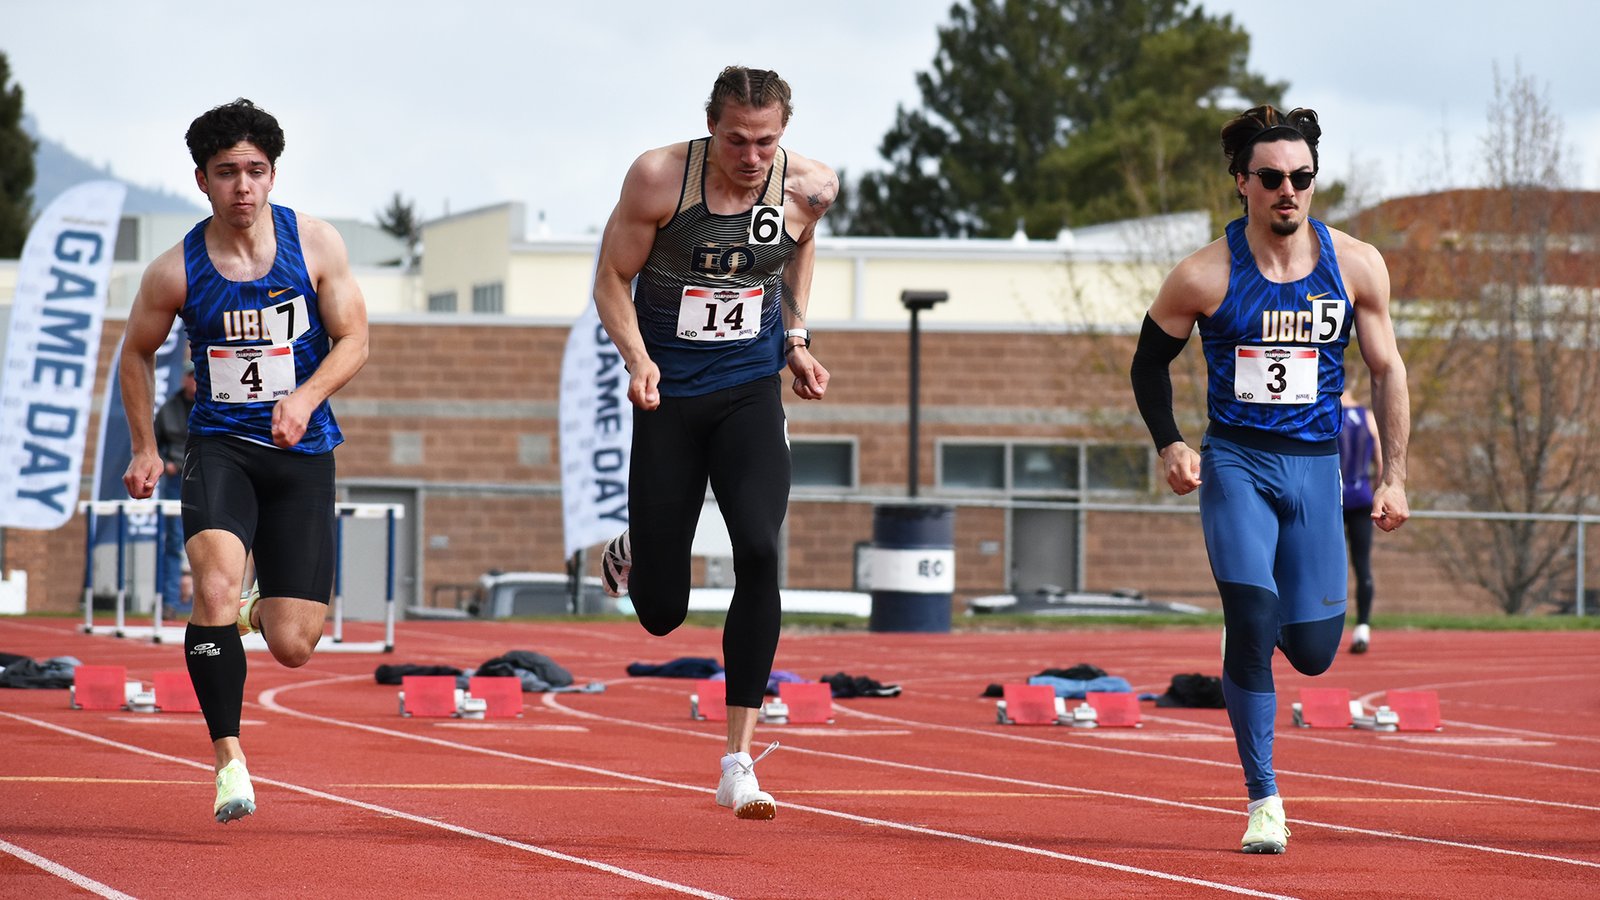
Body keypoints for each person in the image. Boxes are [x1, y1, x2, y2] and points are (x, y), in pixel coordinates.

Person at [1129, 105, 1410, 854]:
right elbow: (1148, 362)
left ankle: (1268, 630)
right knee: (1252, 622)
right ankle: (1264, 800)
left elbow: (1387, 370)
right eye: (1273, 178)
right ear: (1243, 183)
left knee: (1316, 651)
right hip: (1237, 465)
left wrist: (1395, 476)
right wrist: (1172, 444)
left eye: (1303, 178)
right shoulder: (1204, 274)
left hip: (1318, 469)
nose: (1289, 190)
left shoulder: (1355, 264)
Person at [591, 65, 836, 821]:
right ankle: (639, 548)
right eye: (737, 139)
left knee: (759, 548)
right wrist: (639, 361)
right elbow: (610, 279)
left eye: (766, 141)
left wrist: (794, 338)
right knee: (663, 612)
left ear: (783, 134)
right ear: (712, 128)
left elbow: (796, 253)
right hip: (668, 394)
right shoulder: (660, 178)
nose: (751, 156)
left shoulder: (812, 187)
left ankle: (738, 759)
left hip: (748, 391)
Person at [120, 98, 369, 824]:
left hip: (303, 451)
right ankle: (229, 758)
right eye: (227, 172)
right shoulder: (176, 270)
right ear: (201, 180)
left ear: (271, 174)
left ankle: (260, 610)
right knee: (215, 588)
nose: (243, 187)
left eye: (256, 171)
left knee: (295, 645)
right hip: (220, 448)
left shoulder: (315, 245)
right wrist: (143, 446)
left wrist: (306, 397)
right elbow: (134, 354)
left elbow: (354, 340)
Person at [1338, 385, 1382, 653]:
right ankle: (1362, 628)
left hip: (1332, 498)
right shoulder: (1367, 417)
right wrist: (1379, 490)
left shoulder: (1328, 413)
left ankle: (1312, 628)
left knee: (1321, 564)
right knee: (1362, 564)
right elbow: (1379, 459)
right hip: (1362, 496)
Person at [153, 360, 197, 615]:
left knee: (207, 541)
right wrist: (165, 462)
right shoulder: (169, 409)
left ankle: (204, 602)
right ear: (183, 380)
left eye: (198, 377)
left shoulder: (211, 406)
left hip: (204, 476)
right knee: (174, 541)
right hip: (175, 480)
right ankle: (170, 602)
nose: (195, 382)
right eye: (191, 377)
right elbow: (153, 445)